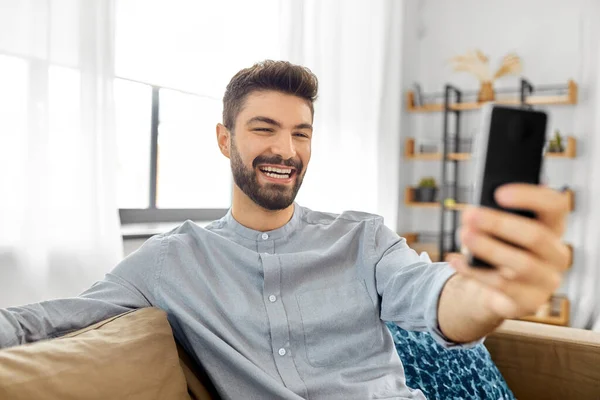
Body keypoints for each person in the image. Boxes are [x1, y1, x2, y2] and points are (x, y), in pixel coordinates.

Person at [0, 60, 571, 399]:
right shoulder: (168, 261)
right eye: (264, 129)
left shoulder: (363, 239)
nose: (285, 149)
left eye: (302, 133)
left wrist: (489, 294)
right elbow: (47, 320)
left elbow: (440, 300)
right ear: (226, 140)